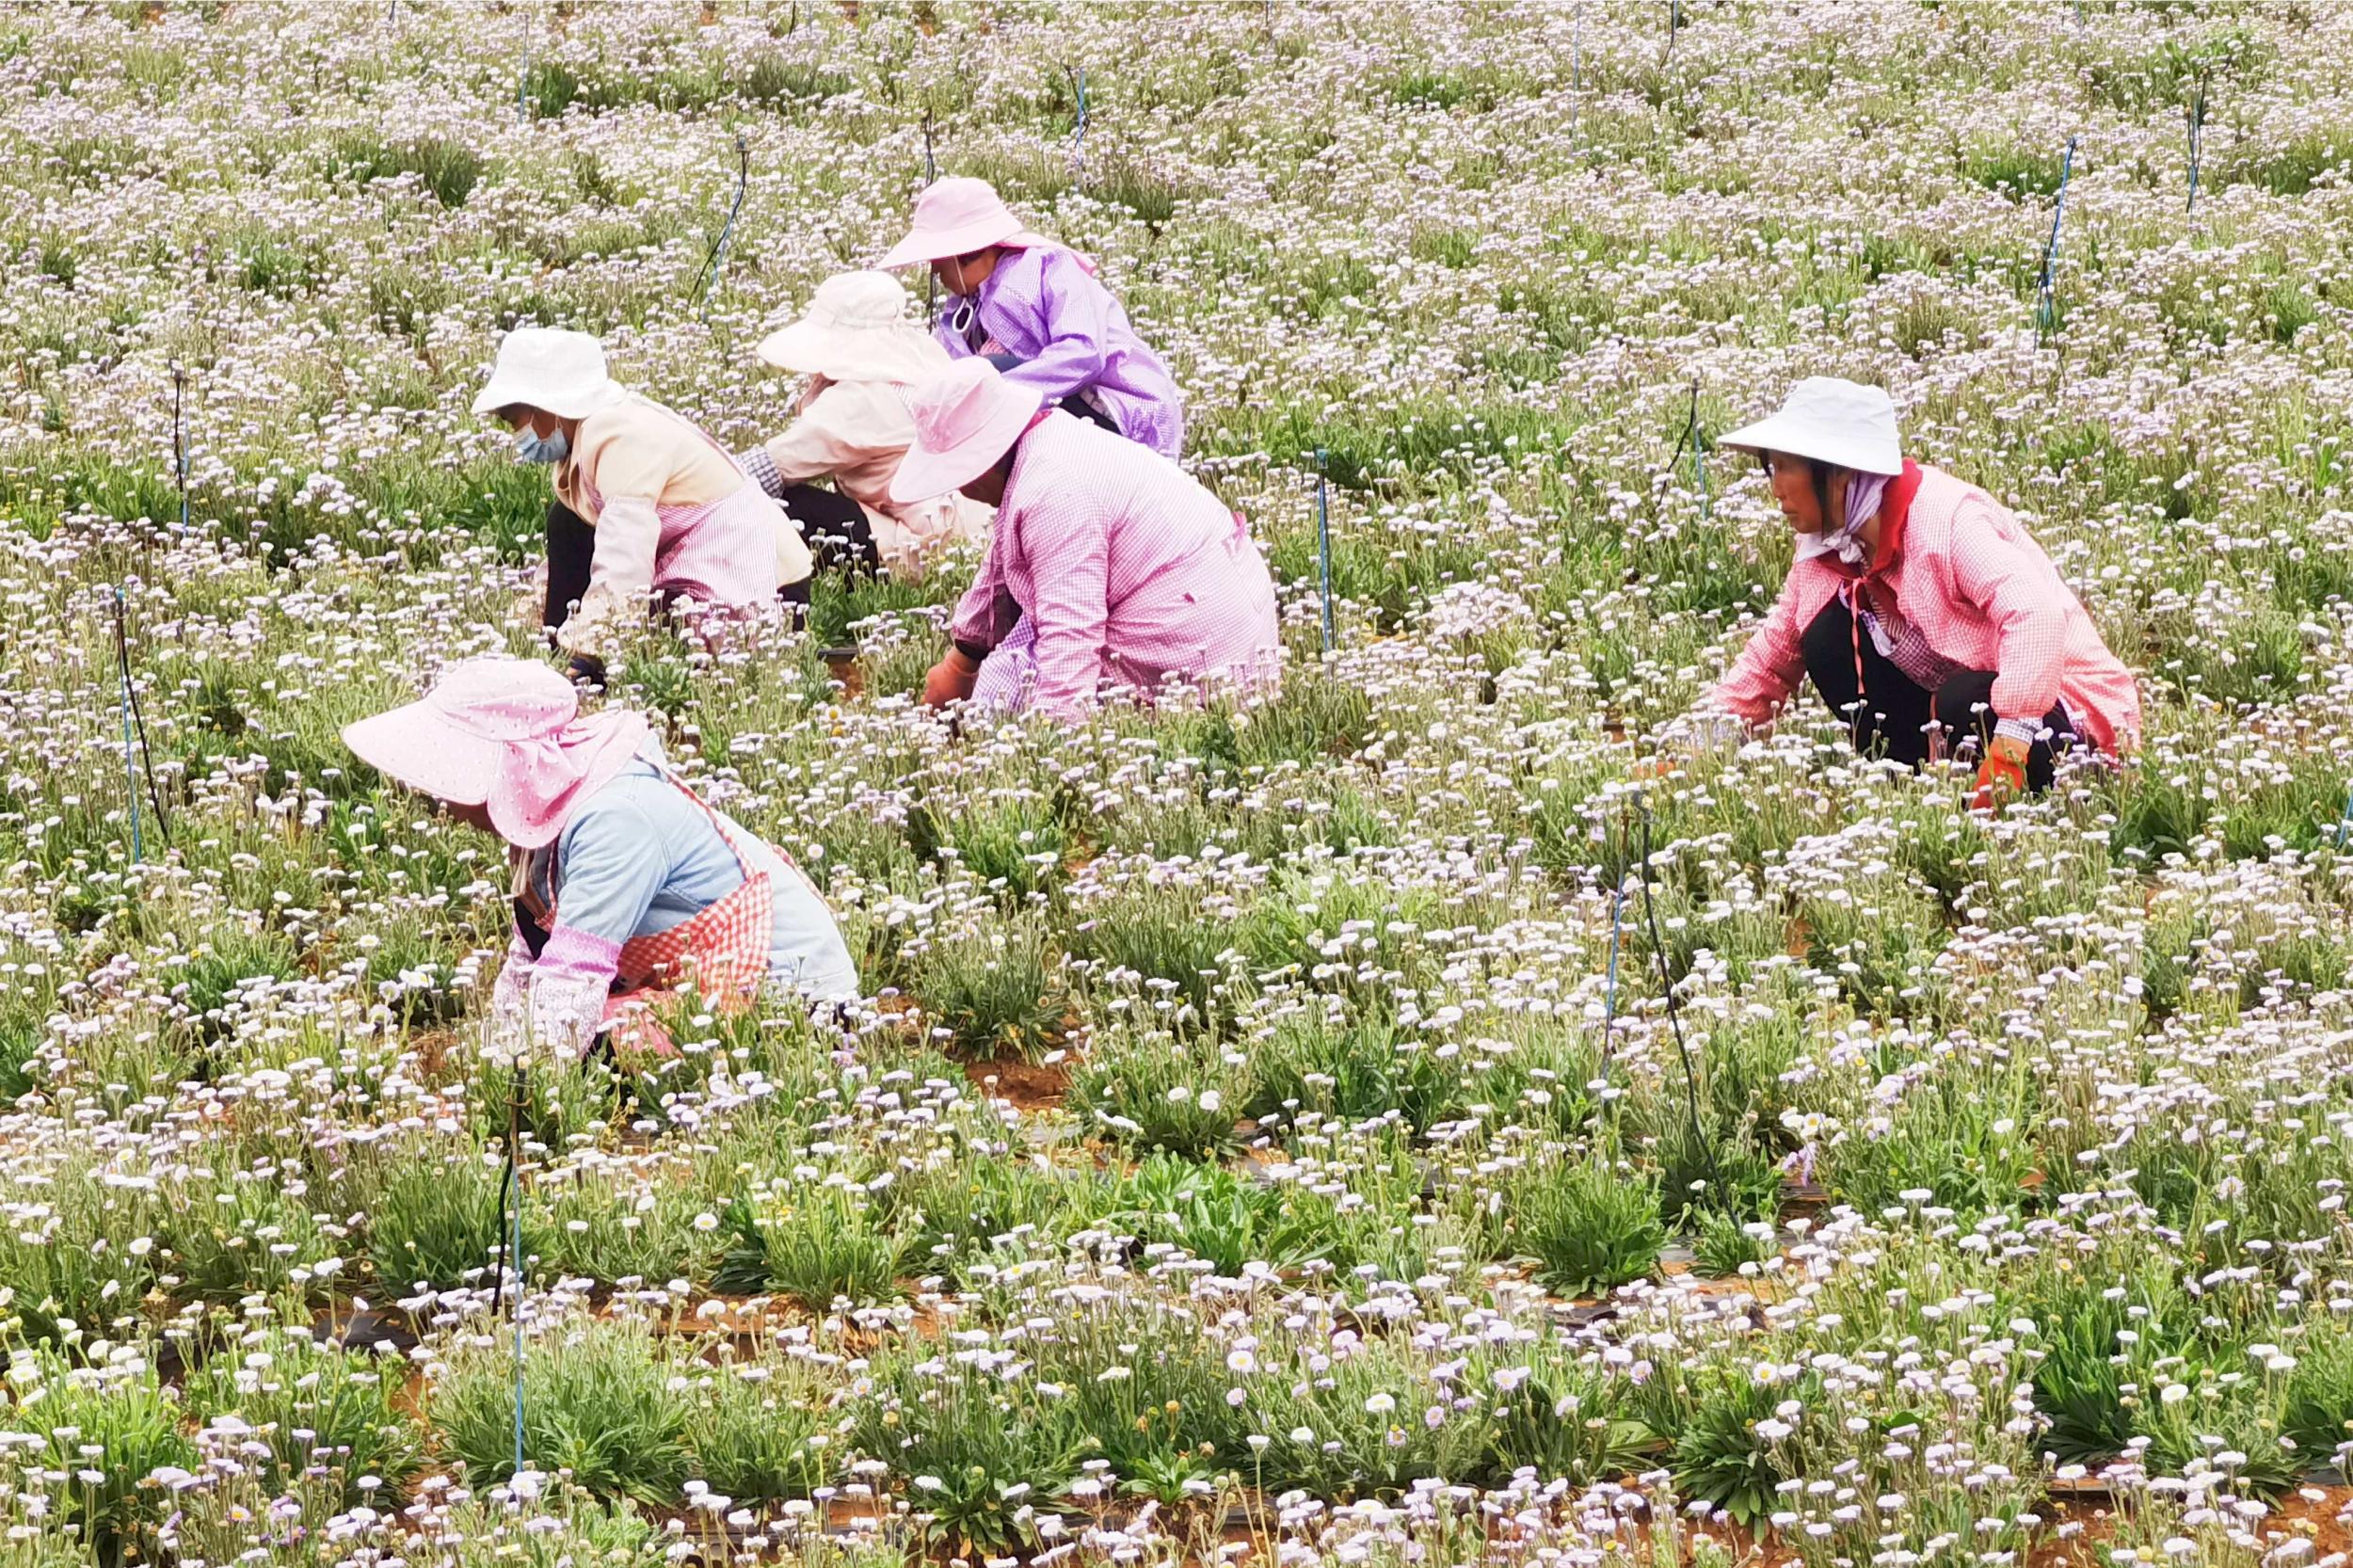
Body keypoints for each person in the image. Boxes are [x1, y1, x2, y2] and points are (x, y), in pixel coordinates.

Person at [343, 657, 857, 1061]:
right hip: (692, 983)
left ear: (508, 769)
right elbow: (535, 959)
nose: (441, 802)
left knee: (596, 1054)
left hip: (790, 1004)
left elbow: (572, 978)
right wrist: (502, 1046)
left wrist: (522, 1084)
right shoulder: (550, 809)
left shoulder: (614, 817)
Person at [1672, 376, 2140, 805]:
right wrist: (1690, 752)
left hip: (2058, 711)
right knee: (1825, 635)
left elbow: (2034, 615)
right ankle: (1916, 783)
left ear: (1838, 473)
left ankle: (2047, 790)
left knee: (1967, 702)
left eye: (1784, 469)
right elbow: (1771, 660)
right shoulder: (1827, 550)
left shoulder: (1948, 519)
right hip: (1960, 712)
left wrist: (2013, 743)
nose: (1776, 490)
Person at [892, 359, 1279, 718]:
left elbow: (1071, 632)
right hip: (1223, 619)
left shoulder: (1052, 489)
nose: (960, 490)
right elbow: (999, 569)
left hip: (1197, 652)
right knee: (1015, 648)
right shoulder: (1048, 441)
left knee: (1006, 685)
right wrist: (960, 663)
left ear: (979, 463)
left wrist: (1054, 752)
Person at [473, 328, 813, 684]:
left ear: (549, 407)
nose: (517, 435)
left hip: (755, 584)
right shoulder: (588, 438)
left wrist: (590, 651)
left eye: (516, 420)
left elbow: (625, 552)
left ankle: (569, 668)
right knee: (567, 522)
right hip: (706, 567)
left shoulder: (620, 435)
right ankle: (556, 653)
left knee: (678, 669)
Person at [876, 177, 1184, 459]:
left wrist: (993, 391)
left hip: (1116, 409)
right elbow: (946, 370)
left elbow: (1084, 352)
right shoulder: (962, 309)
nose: (936, 274)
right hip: (1049, 414)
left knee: (987, 372)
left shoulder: (1047, 268)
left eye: (938, 263)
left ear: (966, 254)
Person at [735, 270, 990, 578]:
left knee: (784, 507)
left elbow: (769, 467)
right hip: (970, 532)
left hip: (930, 546)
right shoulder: (912, 374)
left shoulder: (862, 399)